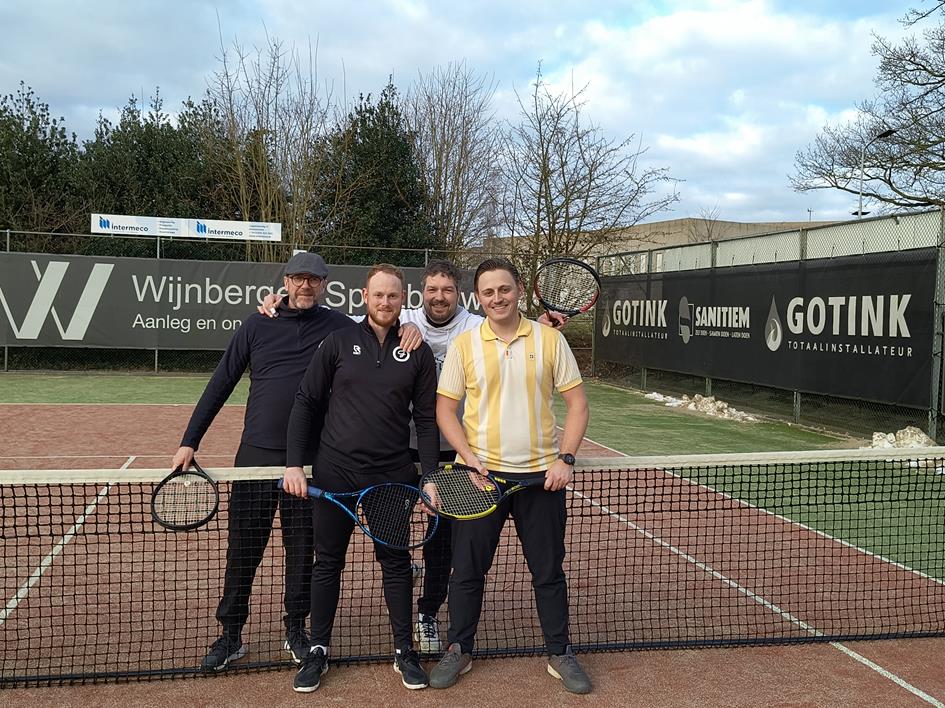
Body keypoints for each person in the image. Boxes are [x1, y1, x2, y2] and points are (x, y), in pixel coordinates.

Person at [260, 259, 565, 654]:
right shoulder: (375, 327)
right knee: (351, 557)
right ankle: (321, 645)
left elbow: (504, 322)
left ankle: (418, 629)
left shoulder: (468, 327)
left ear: (458, 295)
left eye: (448, 290)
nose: (439, 297)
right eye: (432, 290)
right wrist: (279, 301)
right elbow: (329, 339)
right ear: (414, 295)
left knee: (430, 550)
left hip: (448, 456)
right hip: (368, 461)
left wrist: (539, 325)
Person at [172, 252, 421, 672]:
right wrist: (189, 441)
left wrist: (408, 324)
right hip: (254, 458)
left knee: (303, 552)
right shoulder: (256, 324)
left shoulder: (340, 327)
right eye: (298, 279)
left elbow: (382, 320)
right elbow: (220, 383)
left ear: (324, 284)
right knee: (243, 551)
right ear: (286, 281)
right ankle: (231, 633)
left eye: (314, 280)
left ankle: (297, 630)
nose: (305, 286)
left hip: (310, 463)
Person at [429, 257, 592, 694]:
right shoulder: (465, 345)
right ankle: (459, 649)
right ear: (478, 298)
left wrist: (566, 459)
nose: (496, 298)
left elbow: (578, 405)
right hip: (478, 478)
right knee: (465, 571)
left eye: (503, 289)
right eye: (487, 292)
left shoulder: (550, 340)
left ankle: (559, 652)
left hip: (541, 481)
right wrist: (467, 456)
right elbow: (444, 409)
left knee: (548, 572)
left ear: (519, 289)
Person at [283, 264, 439, 693]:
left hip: (393, 476)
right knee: (327, 562)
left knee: (394, 562)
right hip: (335, 472)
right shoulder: (337, 342)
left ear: (403, 300)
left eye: (393, 296)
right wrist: (295, 463)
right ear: (364, 298)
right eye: (378, 295)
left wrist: (430, 477)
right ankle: (318, 649)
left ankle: (404, 650)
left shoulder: (417, 351)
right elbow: (306, 401)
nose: (385, 303)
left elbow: (425, 420)